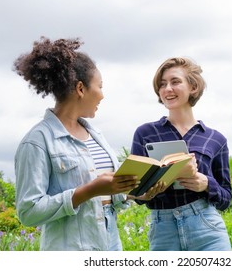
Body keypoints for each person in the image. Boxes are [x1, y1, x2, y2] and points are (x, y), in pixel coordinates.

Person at [13, 37, 139, 251]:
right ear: (81, 88)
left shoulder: (96, 135)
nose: (103, 95)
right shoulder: (37, 142)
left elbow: (111, 194)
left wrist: (140, 189)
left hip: (111, 242)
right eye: (100, 86)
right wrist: (88, 191)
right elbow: (28, 212)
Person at [130, 57, 232, 251]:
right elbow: (135, 192)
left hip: (207, 228)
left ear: (193, 87)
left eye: (175, 82)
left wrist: (206, 184)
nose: (167, 89)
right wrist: (146, 192)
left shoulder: (215, 139)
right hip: (163, 230)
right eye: (162, 85)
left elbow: (226, 197)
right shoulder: (145, 133)